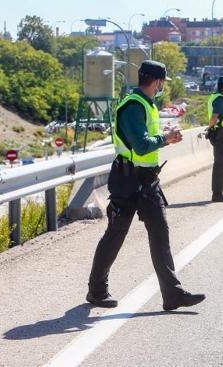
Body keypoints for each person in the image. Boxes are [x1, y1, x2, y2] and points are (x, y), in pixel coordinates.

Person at [86, 61, 205, 311]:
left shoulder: (148, 105)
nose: (163, 87)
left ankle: (172, 294)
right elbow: (141, 145)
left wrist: (164, 136)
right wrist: (166, 138)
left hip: (148, 181)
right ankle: (97, 291)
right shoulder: (132, 106)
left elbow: (147, 141)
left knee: (160, 234)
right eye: (163, 82)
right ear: (157, 81)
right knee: (115, 235)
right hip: (128, 181)